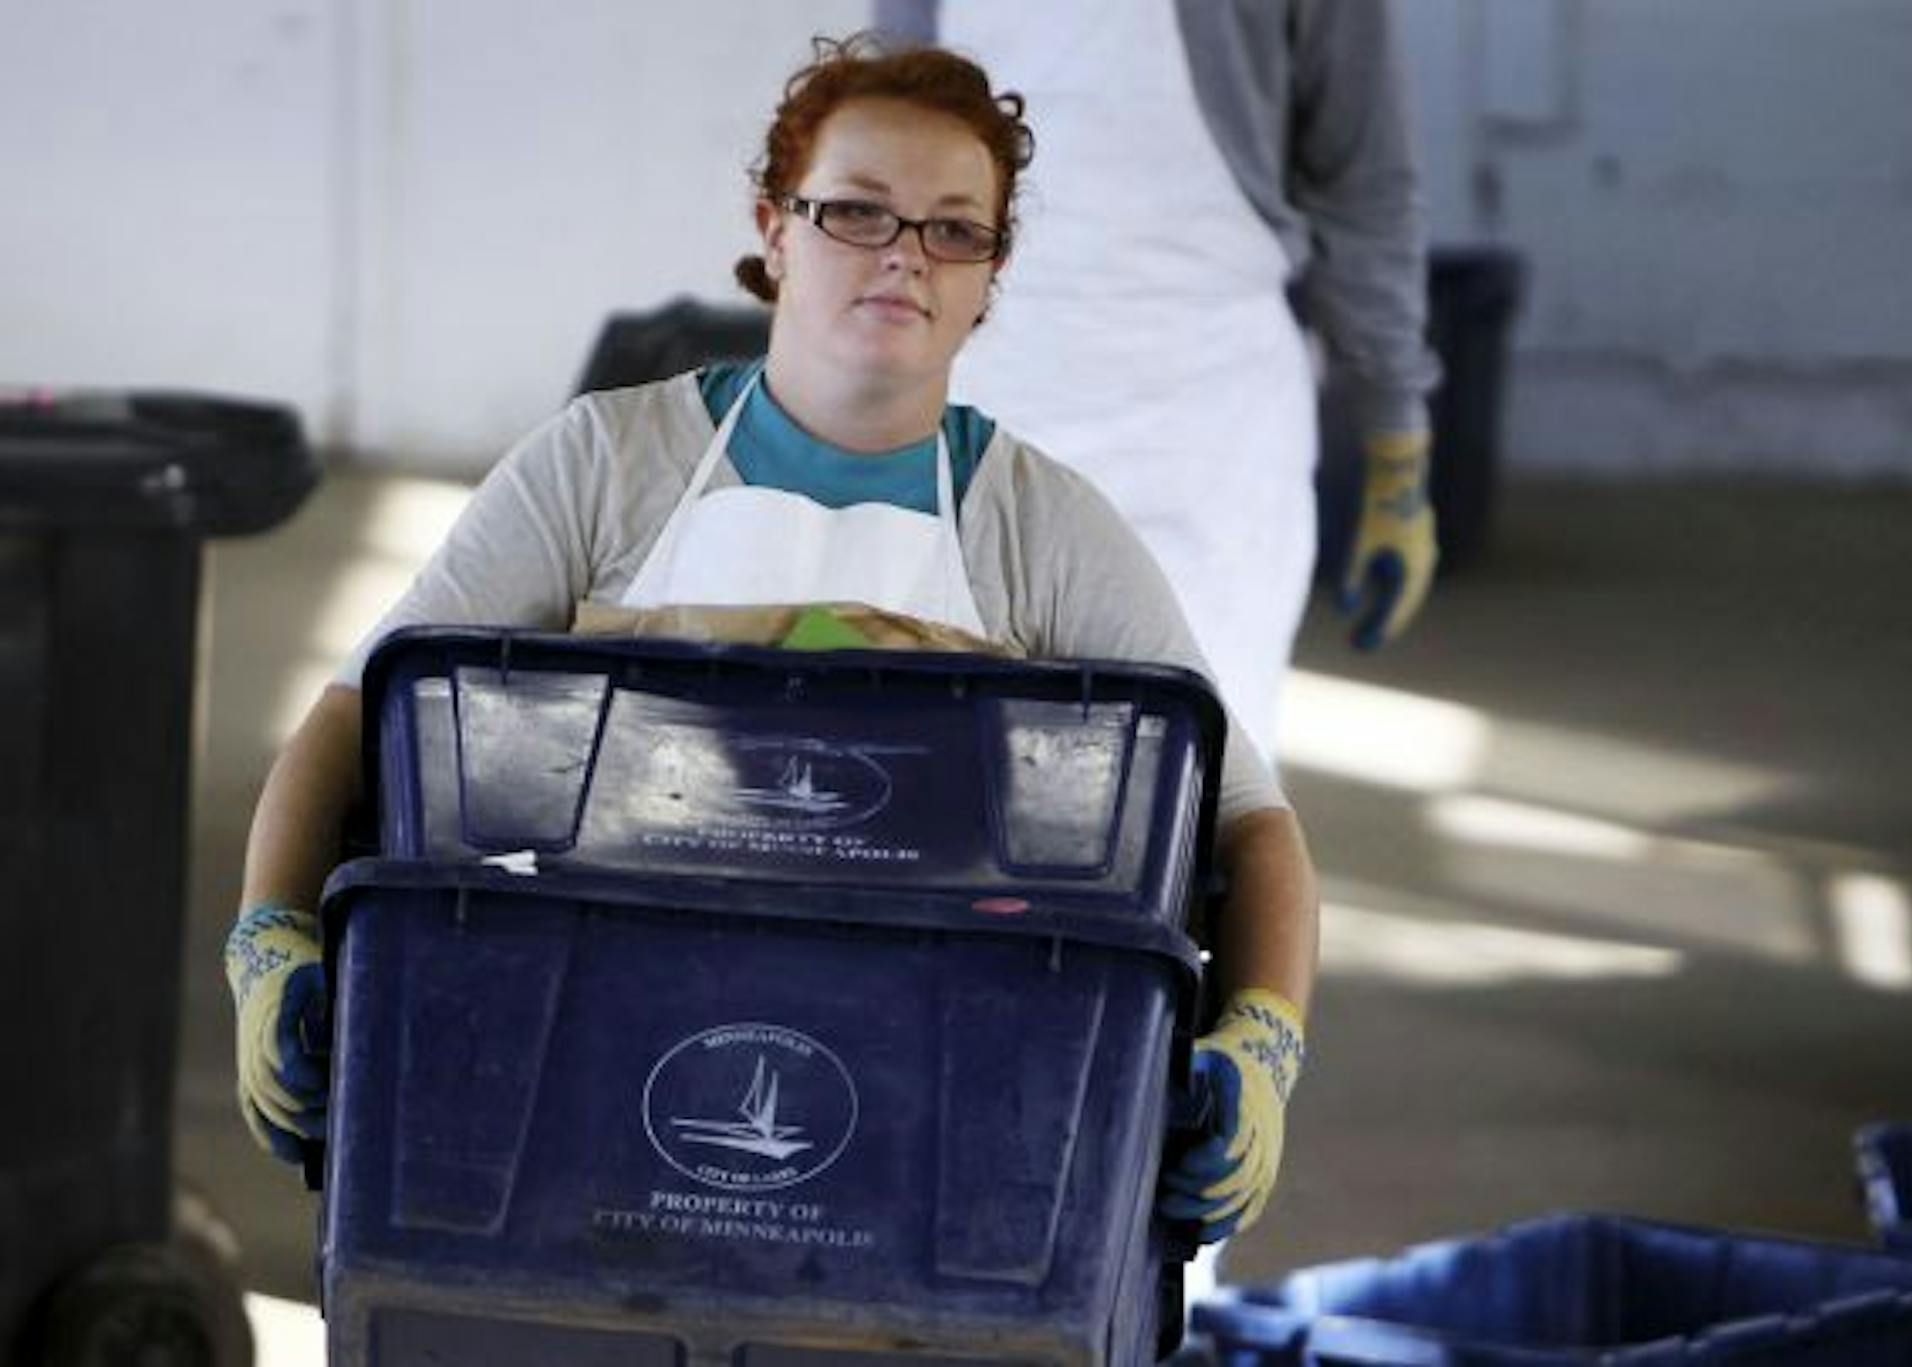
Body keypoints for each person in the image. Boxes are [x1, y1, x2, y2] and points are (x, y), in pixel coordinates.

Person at [224, 35, 1317, 1246]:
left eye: (956, 229)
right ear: (776, 225)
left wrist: (1261, 1040)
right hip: (585, 1082)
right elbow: (355, 716)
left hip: (922, 1130)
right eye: (859, 211)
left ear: (988, 276)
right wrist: (270, 935)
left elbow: (1247, 820)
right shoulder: (603, 464)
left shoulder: (1044, 529)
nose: (906, 254)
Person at [872, 0, 1443, 755]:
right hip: (985, 384)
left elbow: (1363, 180)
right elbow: (888, 157)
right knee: (969, 768)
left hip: (1208, 418)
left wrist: (1395, 430)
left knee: (1202, 783)